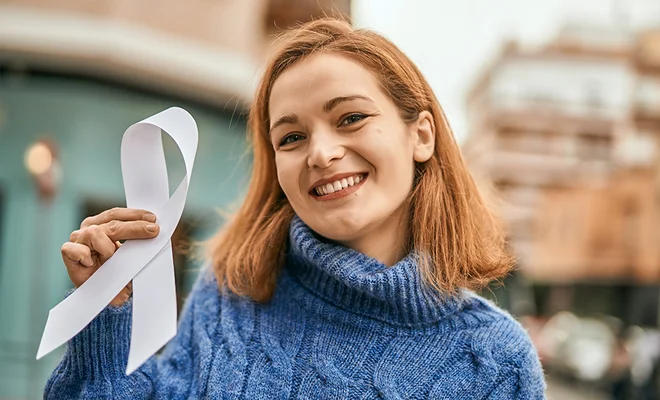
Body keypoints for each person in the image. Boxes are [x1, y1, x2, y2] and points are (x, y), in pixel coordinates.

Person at [46, 17, 546, 399]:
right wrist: (106, 311)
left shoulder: (496, 363)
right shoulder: (231, 289)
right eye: (291, 137)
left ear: (421, 134)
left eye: (350, 117)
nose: (321, 153)